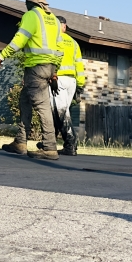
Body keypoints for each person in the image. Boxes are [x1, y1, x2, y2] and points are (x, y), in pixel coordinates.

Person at [0, 0, 64, 160]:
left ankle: (49, 147)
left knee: (42, 106)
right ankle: (20, 142)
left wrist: (1, 56)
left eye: (26, 1)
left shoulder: (32, 15)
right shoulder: (53, 20)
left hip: (36, 68)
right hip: (49, 67)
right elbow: (60, 48)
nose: (25, 4)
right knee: (24, 99)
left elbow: (20, 39)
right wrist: (54, 72)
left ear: (32, 1)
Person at [44, 15, 84, 156]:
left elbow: (52, 59)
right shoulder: (74, 43)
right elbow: (79, 65)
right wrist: (80, 84)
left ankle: (70, 144)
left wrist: (51, 76)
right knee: (61, 111)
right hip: (71, 81)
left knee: (61, 113)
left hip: (58, 80)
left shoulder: (53, 39)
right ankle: (50, 142)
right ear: (65, 26)